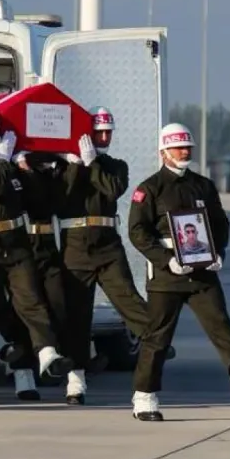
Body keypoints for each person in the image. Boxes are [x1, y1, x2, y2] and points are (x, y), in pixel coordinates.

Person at [127, 123, 230, 421]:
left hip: (203, 271)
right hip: (167, 277)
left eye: (188, 147)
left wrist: (219, 252)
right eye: (179, 147)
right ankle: (145, 397)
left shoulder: (203, 185)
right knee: (158, 338)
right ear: (164, 151)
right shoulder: (150, 189)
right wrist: (167, 260)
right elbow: (137, 232)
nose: (184, 152)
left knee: (220, 323)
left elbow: (220, 224)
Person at [0, 104, 73, 404]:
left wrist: (29, 168)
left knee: (31, 302)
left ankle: (45, 355)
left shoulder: (7, 162)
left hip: (17, 242)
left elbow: (37, 202)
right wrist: (6, 161)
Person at [59, 107, 157, 402]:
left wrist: (94, 163)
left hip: (107, 245)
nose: (104, 137)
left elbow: (113, 190)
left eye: (108, 132)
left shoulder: (116, 165)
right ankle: (75, 380)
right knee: (76, 315)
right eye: (99, 132)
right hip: (75, 244)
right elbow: (62, 196)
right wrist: (77, 165)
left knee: (128, 300)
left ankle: (156, 344)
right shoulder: (66, 166)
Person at [6, 149, 70, 402]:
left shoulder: (57, 167)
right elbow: (26, 200)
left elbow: (59, 202)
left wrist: (68, 164)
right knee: (26, 310)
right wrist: (23, 168)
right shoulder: (11, 169)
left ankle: (49, 361)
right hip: (23, 242)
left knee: (57, 306)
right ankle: (24, 376)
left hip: (49, 243)